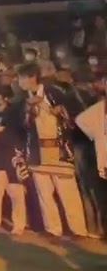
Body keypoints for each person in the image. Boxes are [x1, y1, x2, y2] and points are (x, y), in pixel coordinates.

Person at [17, 61, 90, 236]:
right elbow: (21, 126)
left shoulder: (55, 92)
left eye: (21, 78)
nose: (19, 82)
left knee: (68, 192)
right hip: (37, 152)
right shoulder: (22, 99)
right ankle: (53, 229)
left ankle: (78, 229)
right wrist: (28, 108)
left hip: (59, 150)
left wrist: (61, 110)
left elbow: (77, 112)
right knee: (45, 194)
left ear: (32, 77)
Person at [0, 87, 30, 235]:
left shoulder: (13, 114)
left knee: (16, 193)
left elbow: (18, 134)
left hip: (11, 158)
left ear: (5, 98)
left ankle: (19, 226)